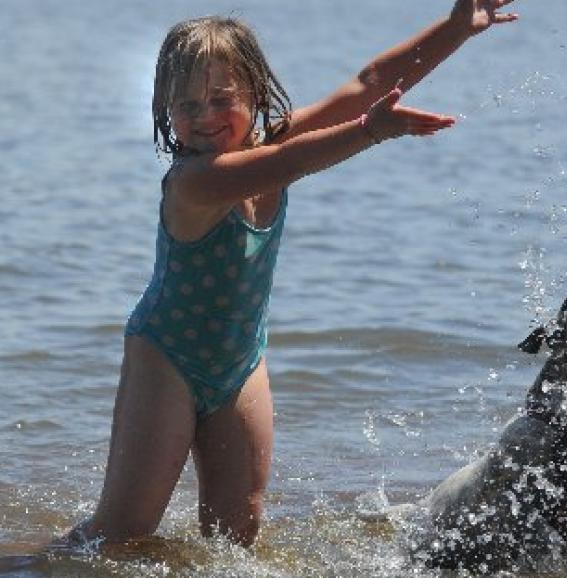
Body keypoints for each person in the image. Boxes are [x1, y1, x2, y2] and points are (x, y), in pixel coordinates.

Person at [68, 0, 520, 548]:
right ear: (165, 108)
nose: (205, 116)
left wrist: (454, 31)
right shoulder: (193, 181)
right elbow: (290, 165)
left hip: (240, 361)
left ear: (256, 94)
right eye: (186, 104)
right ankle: (21, 577)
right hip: (166, 358)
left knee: (238, 535)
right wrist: (369, 131)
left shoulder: (271, 145)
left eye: (221, 99)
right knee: (121, 534)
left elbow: (369, 82)